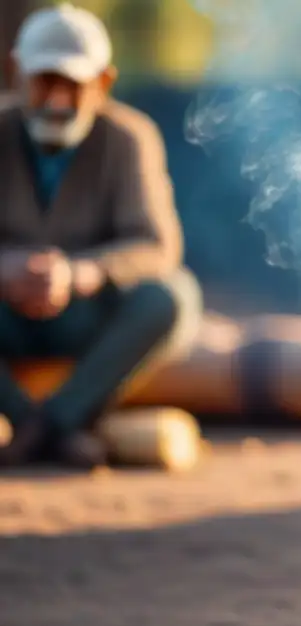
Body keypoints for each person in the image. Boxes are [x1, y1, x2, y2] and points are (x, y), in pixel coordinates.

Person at [0, 3, 202, 469]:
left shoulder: (129, 137)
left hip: (86, 318)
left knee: (173, 297)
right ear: (16, 72)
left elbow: (157, 247)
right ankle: (38, 424)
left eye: (72, 84)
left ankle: (46, 425)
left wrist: (81, 273)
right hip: (6, 317)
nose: (56, 101)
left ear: (105, 82)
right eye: (45, 81)